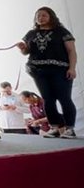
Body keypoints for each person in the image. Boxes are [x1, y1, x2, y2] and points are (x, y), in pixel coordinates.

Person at [17, 7, 77, 138]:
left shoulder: (61, 31)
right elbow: (26, 52)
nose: (40, 18)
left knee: (64, 98)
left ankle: (70, 128)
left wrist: (72, 68)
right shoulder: (31, 34)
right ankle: (55, 127)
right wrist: (22, 48)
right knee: (47, 100)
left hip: (60, 70)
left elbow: (71, 51)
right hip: (38, 71)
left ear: (51, 16)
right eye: (38, 15)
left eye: (44, 15)